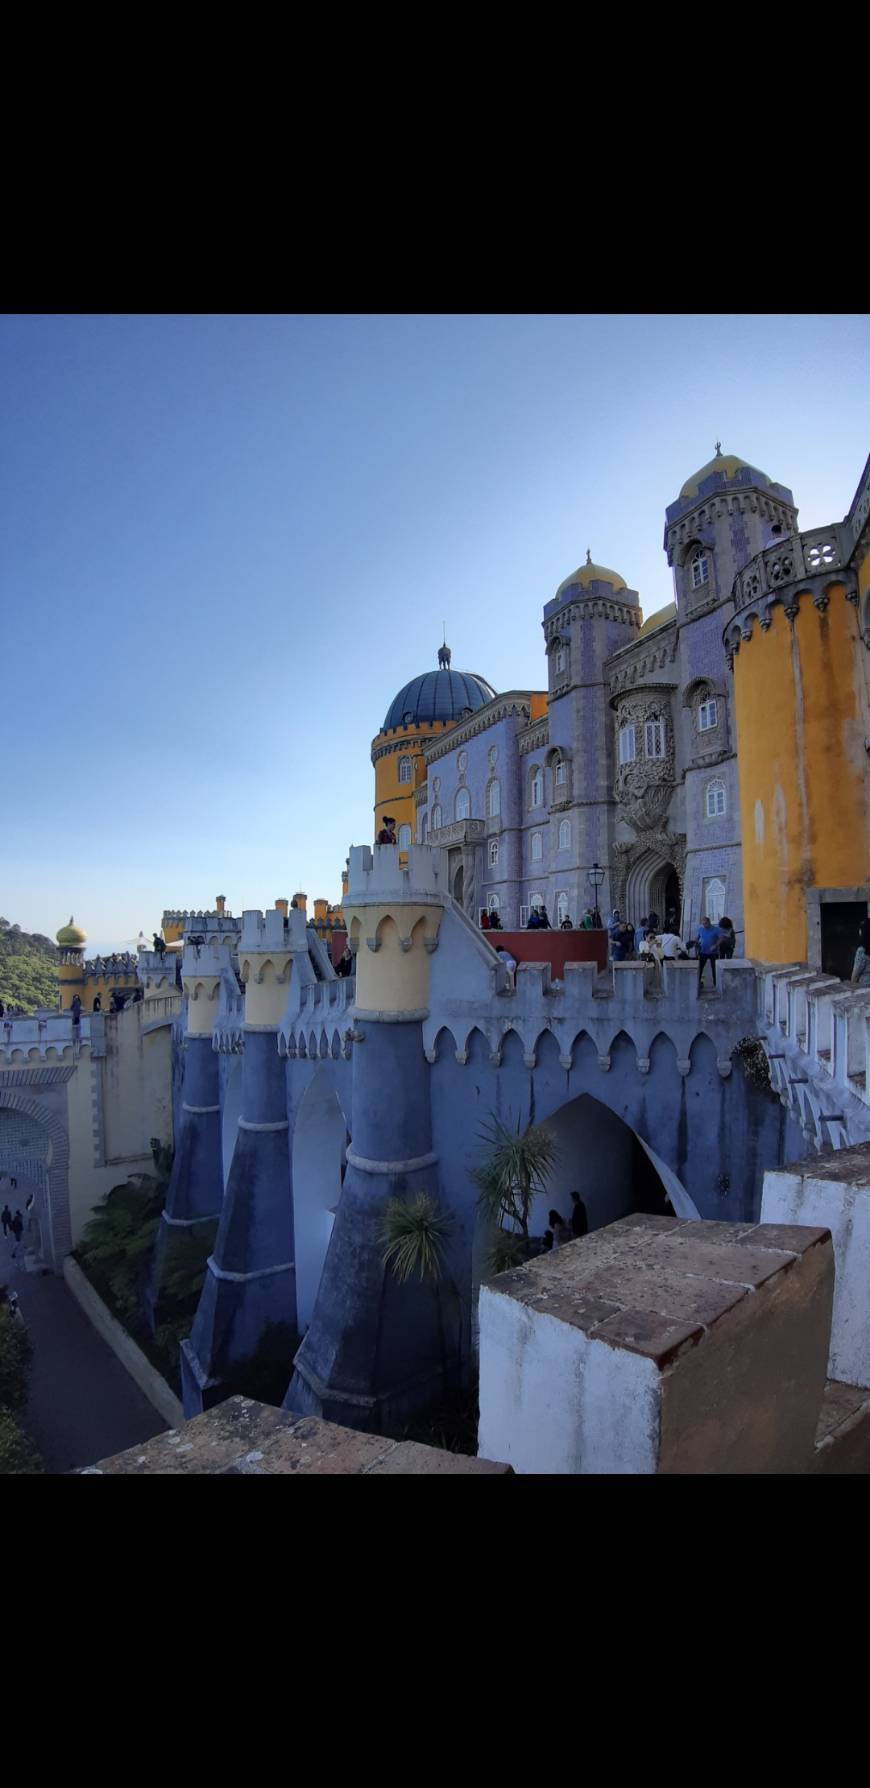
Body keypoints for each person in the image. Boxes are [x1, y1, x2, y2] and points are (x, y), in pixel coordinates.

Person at [696, 915, 723, 993]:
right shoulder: (701, 929)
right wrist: (696, 943)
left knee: (714, 969)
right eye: (703, 924)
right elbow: (697, 938)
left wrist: (715, 945)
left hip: (713, 953)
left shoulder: (716, 929)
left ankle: (716, 984)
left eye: (705, 924)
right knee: (700, 968)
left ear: (709, 922)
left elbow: (721, 939)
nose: (704, 925)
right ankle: (698, 984)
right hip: (702, 952)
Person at [850, 918, 870, 987]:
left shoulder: (862, 950)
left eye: (860, 929)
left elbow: (855, 974)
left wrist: (851, 988)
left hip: (865, 988)